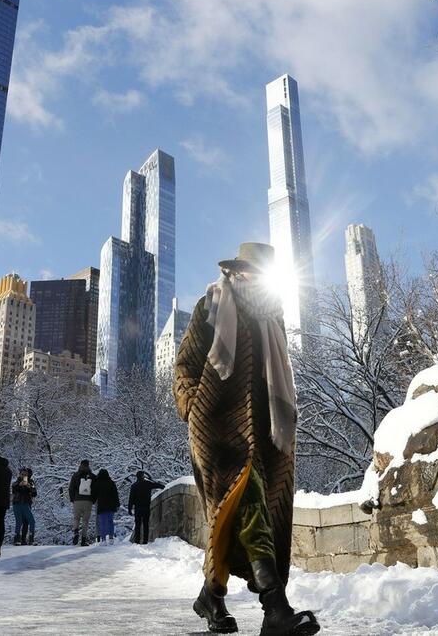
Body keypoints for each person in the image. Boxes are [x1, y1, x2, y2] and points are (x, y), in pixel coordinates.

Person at [175, 243, 320, 636]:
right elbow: (185, 364)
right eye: (250, 270)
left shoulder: (272, 317)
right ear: (237, 271)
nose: (255, 277)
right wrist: (192, 405)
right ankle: (275, 608)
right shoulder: (212, 305)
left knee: (236, 514)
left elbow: (278, 377)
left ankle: (211, 595)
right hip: (217, 426)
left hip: (266, 433)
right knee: (250, 504)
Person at [128, 470, 165, 544]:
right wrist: (150, 480)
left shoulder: (134, 485)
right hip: (146, 507)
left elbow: (131, 498)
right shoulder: (147, 484)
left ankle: (137, 541)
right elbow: (161, 486)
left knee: (138, 524)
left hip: (138, 508)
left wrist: (129, 508)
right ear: (143, 476)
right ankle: (145, 540)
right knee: (145, 524)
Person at [69, 460, 96, 546]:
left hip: (77, 500)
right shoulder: (92, 476)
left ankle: (76, 532)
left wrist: (72, 499)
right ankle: (83, 540)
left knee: (76, 518)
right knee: (85, 521)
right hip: (88, 501)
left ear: (80, 465)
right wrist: (93, 500)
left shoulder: (75, 475)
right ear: (88, 466)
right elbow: (95, 490)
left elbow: (71, 488)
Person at [92, 469, 120, 544]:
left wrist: (92, 501)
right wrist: (117, 504)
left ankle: (103, 539)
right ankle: (111, 538)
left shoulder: (97, 483)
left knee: (103, 522)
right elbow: (115, 494)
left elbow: (94, 494)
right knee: (110, 521)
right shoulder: (111, 483)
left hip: (102, 505)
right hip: (111, 506)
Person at [11, 467, 37, 545]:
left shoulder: (31, 482)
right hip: (17, 503)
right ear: (19, 474)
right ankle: (17, 540)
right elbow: (14, 488)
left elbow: (34, 493)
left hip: (26, 504)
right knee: (19, 522)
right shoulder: (16, 482)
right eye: (22, 474)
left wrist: (30, 488)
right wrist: (20, 485)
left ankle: (31, 539)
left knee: (31, 521)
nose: (24, 476)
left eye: (26, 475)